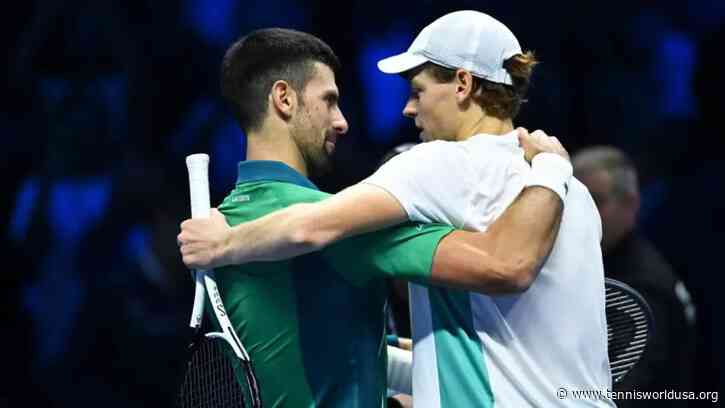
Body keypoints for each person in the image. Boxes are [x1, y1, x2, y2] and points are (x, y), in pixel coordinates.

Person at [179, 12, 614, 407]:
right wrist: (554, 168)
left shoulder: (232, 218)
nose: (345, 120)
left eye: (417, 91)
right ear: (283, 99)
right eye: (330, 100)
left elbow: (507, 264)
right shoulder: (574, 195)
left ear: (463, 85)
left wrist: (227, 242)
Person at [573, 145, 696, 406]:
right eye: (575, 199)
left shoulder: (645, 284)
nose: (582, 211)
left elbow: (631, 392)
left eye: (595, 200)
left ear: (631, 203)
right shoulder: (595, 261)